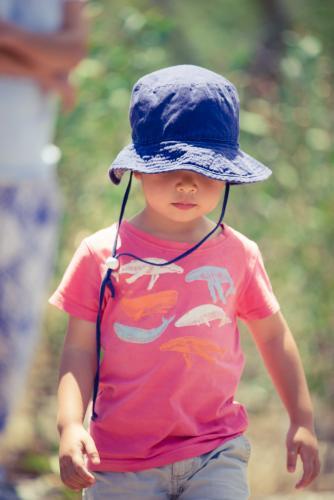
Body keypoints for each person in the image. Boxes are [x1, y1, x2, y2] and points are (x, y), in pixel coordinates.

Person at [49, 65, 320, 499]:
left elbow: (273, 337)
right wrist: (69, 427)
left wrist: (302, 419)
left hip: (215, 450)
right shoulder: (101, 253)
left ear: (228, 175)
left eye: (205, 170)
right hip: (118, 461)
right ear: (138, 169)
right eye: (171, 167)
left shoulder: (239, 253)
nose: (188, 183)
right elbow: (79, 348)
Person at [0, 0, 87, 488]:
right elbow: (58, 57)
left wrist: (7, 39)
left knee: (15, 336)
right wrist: (41, 64)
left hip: (32, 182)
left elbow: (73, 49)